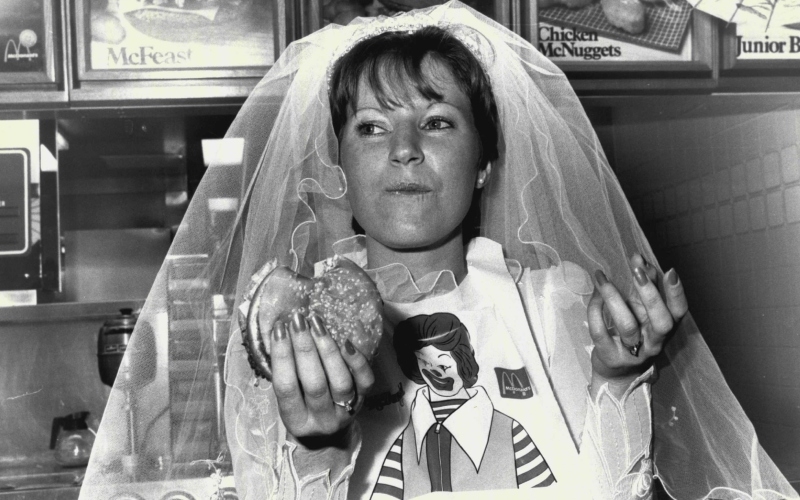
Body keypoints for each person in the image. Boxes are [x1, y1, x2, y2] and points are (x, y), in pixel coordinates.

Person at [79, 3, 800, 500]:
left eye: (437, 121)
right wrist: (319, 447)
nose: (402, 150)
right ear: (338, 163)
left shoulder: (561, 303)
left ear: (485, 159)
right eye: (369, 127)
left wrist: (619, 378)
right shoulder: (286, 340)